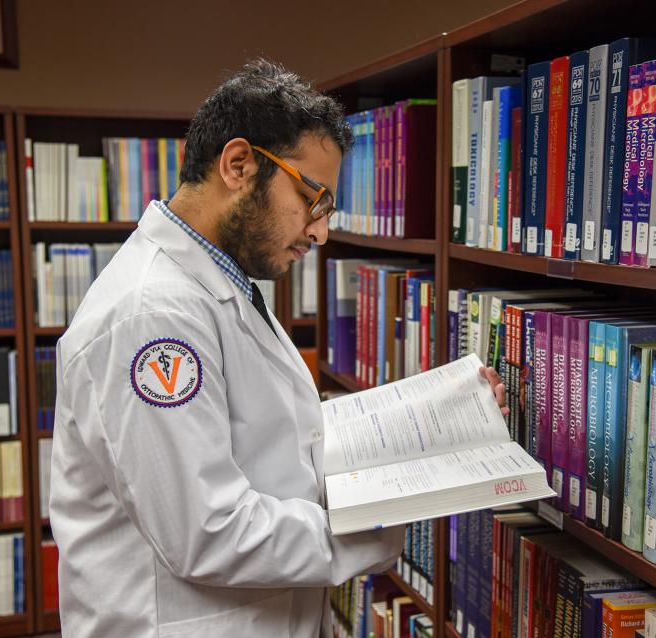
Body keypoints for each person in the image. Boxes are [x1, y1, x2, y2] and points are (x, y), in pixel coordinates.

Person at [49, 59, 508, 638]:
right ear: (239, 165)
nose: (320, 231)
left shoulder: (223, 283)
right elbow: (210, 533)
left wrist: (439, 417)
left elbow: (280, 437)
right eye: (312, 197)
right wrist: (378, 524)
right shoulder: (150, 317)